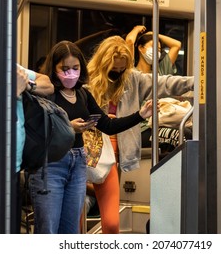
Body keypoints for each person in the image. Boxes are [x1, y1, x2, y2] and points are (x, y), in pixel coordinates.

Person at [29, 40, 153, 234]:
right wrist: (67, 127)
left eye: (75, 68)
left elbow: (108, 125)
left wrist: (140, 115)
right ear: (54, 68)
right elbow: (34, 131)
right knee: (48, 229)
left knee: (71, 230)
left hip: (78, 162)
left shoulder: (83, 94)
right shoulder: (46, 94)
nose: (71, 73)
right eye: (65, 68)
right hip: (51, 164)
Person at [86, 35, 194, 233]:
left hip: (113, 152)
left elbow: (165, 83)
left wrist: (195, 82)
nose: (118, 73)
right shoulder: (86, 83)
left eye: (121, 70)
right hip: (89, 150)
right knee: (74, 221)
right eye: (113, 70)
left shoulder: (132, 79)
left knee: (111, 224)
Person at [15, 64, 54, 233]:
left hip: (15, 167)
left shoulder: (10, 66)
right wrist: (14, 92)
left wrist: (28, 85)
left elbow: (47, 83)